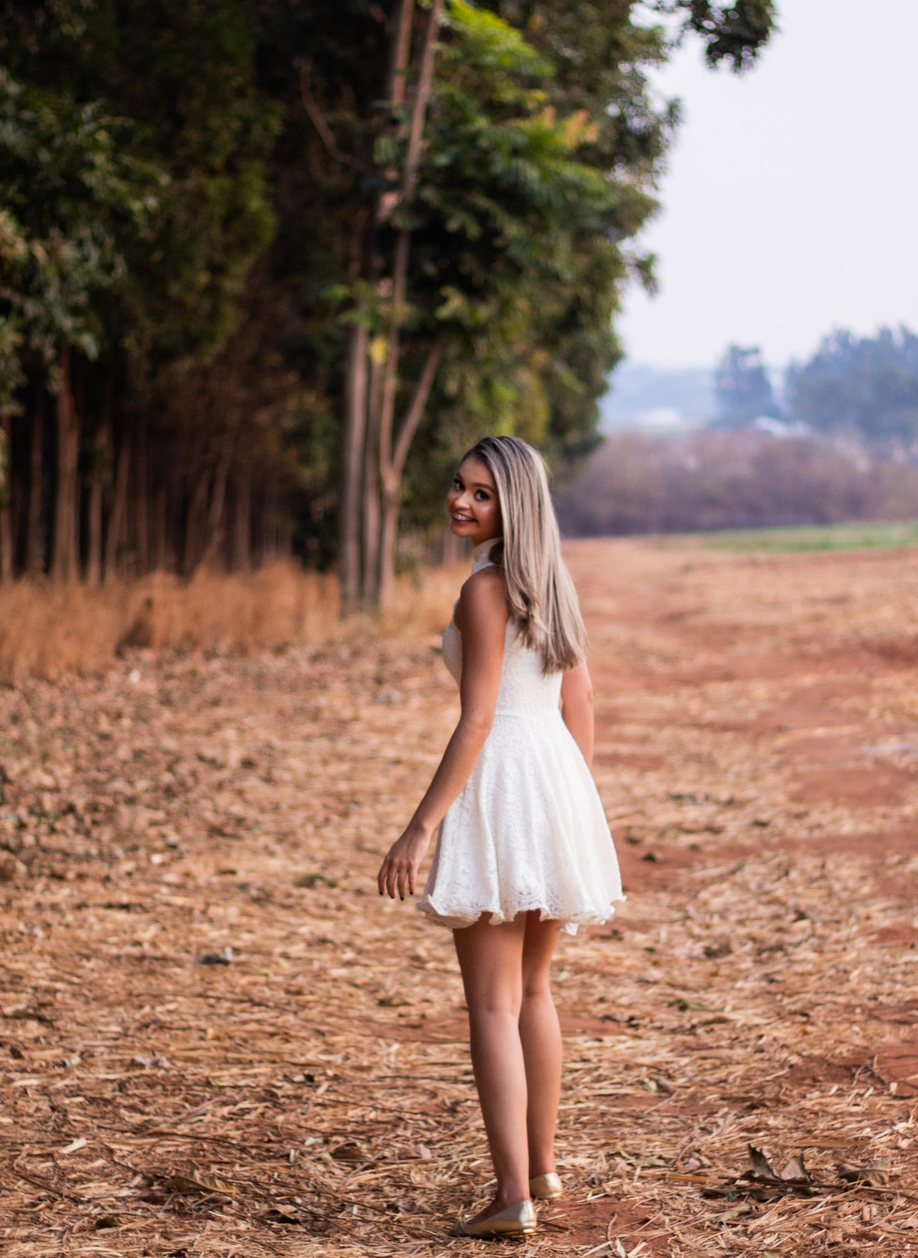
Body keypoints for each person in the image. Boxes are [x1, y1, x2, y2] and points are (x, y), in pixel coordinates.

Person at [378, 435, 623, 1238]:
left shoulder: (485, 590)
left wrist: (419, 828)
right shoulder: (551, 585)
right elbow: (581, 702)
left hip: (506, 783)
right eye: (459, 485)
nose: (460, 501)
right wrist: (574, 806)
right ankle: (541, 1167)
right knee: (533, 991)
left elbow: (479, 718)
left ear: (513, 504)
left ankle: (512, 1194)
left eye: (481, 494)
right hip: (553, 777)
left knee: (492, 1002)